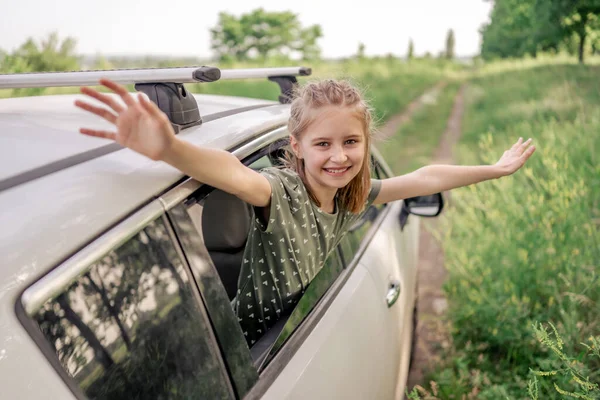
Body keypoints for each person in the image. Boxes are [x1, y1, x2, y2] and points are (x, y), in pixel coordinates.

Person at [75, 78, 535, 345]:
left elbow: (424, 178)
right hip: (246, 346)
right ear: (296, 147)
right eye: (323, 144)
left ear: (366, 143)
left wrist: (493, 170)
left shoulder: (353, 197)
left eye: (351, 142)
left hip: (285, 328)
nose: (340, 156)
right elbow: (235, 175)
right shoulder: (284, 192)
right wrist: (170, 149)